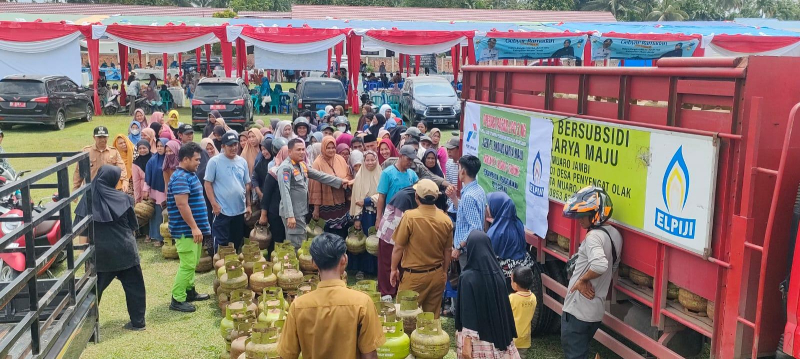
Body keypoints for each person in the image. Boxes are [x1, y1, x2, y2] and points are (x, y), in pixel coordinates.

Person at [278, 233, 385, 359]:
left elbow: (287, 354)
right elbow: (370, 355)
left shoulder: (298, 306)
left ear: (314, 263)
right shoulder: (362, 303)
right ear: (344, 259)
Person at [76, 165, 147, 331]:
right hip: (125, 250)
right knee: (135, 288)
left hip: (101, 255)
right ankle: (138, 322)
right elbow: (132, 226)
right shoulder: (124, 199)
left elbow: (82, 231)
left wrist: (82, 255)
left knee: (92, 292)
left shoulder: (86, 200)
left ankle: (88, 329)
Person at [560, 186, 622, 359]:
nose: (579, 219)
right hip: (594, 311)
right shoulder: (615, 235)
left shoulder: (593, 236)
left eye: (583, 215)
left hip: (578, 311)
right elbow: (612, 268)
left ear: (596, 214)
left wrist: (582, 280)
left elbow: (600, 265)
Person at [390, 179, 453, 316]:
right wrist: (444, 272)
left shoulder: (410, 217)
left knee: (405, 317)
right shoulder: (446, 219)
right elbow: (448, 250)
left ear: (416, 196)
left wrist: (393, 269)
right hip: (436, 274)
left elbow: (398, 247)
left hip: (414, 277)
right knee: (431, 319)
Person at [455, 231, 520, 358]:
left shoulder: (467, 277)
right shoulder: (498, 274)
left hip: (478, 342)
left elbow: (468, 312)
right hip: (499, 339)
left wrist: (467, 343)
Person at [277, 138, 350, 248]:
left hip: (301, 211)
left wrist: (340, 181)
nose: (302, 152)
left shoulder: (301, 164)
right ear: (290, 151)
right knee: (297, 244)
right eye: (298, 150)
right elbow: (285, 193)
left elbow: (319, 175)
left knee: (301, 240)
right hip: (293, 213)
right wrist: (290, 215)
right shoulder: (285, 168)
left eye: (303, 149)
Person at [167, 142, 212, 313]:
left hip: (193, 229)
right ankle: (177, 299)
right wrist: (194, 227)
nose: (199, 162)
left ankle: (189, 291)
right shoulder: (180, 177)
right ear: (185, 159)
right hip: (185, 230)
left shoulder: (189, 174)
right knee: (187, 264)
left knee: (192, 263)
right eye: (196, 159)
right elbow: (182, 205)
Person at [205, 132, 251, 251]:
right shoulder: (214, 162)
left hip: (239, 210)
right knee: (221, 243)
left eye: (235, 144)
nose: (234, 148)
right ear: (223, 146)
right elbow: (207, 184)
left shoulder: (242, 162)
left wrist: (248, 205)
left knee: (236, 242)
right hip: (222, 210)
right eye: (230, 145)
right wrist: (214, 204)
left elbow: (247, 184)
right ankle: (218, 262)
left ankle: (232, 263)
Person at [485, 192, 535, 290]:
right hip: (524, 267)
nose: (487, 207)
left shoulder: (496, 232)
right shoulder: (518, 223)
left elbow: (490, 257)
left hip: (508, 277)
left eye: (489, 205)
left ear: (497, 207)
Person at [446, 155, 486, 272]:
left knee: (468, 279)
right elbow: (466, 212)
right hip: (471, 249)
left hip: (467, 251)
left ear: (463, 171)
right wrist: (454, 198)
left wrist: (459, 247)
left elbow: (475, 227)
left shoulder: (468, 196)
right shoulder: (478, 189)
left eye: (459, 168)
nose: (458, 171)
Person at [310, 137, 353, 238]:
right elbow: (315, 187)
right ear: (323, 148)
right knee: (329, 235)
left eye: (333, 147)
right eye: (328, 148)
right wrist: (316, 209)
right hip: (326, 206)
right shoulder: (317, 163)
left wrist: (344, 181)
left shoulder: (340, 159)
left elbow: (348, 175)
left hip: (341, 203)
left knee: (342, 232)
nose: (331, 150)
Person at [376, 145, 419, 227]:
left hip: (408, 215)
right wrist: (378, 218)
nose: (410, 162)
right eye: (408, 159)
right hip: (391, 215)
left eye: (412, 160)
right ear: (401, 156)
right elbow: (381, 197)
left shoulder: (412, 174)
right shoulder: (387, 173)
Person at [74, 126, 126, 193]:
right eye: (99, 137)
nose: (102, 139)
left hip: (108, 188)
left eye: (104, 137)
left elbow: (121, 167)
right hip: (91, 188)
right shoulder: (86, 152)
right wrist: (76, 188)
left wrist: (124, 181)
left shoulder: (113, 152)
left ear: (108, 137)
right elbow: (79, 171)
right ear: (94, 137)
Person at [144, 139, 168, 247]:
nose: (159, 148)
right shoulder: (152, 160)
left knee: (167, 214)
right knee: (157, 215)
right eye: (157, 146)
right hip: (156, 191)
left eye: (161, 146)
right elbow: (147, 176)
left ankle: (168, 237)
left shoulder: (171, 159)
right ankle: (157, 237)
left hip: (169, 191)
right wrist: (146, 190)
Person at [509, 266, 536, 357]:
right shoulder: (533, 297)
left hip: (511, 338)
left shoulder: (512, 298)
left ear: (515, 284)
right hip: (525, 339)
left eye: (511, 280)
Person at [444, 136, 460, 221]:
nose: (448, 151)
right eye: (447, 149)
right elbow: (448, 183)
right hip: (451, 204)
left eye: (451, 149)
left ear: (459, 149)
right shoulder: (449, 163)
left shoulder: (464, 165)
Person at [131, 140, 151, 204]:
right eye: (140, 148)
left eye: (144, 148)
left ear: (149, 148)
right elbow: (136, 181)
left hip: (155, 189)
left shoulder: (154, 159)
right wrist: (137, 198)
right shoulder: (136, 163)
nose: (142, 150)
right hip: (143, 191)